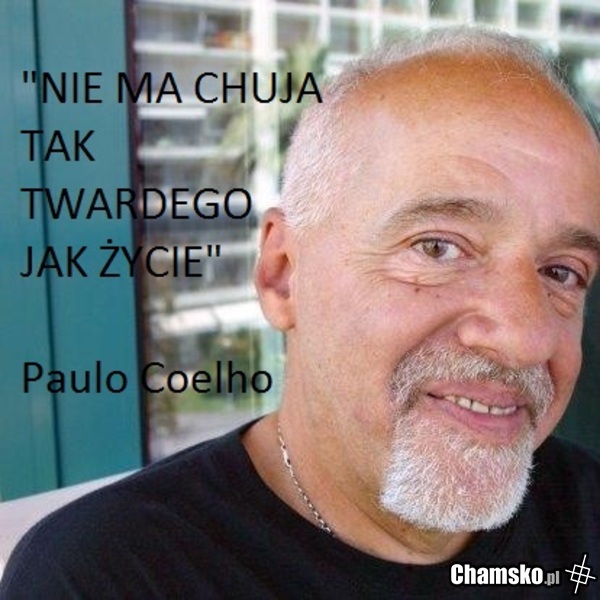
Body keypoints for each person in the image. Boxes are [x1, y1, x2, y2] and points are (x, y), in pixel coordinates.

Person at [2, 26, 600, 599]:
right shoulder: (108, 576)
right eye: (437, 247)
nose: (525, 338)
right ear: (283, 275)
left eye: (561, 272)